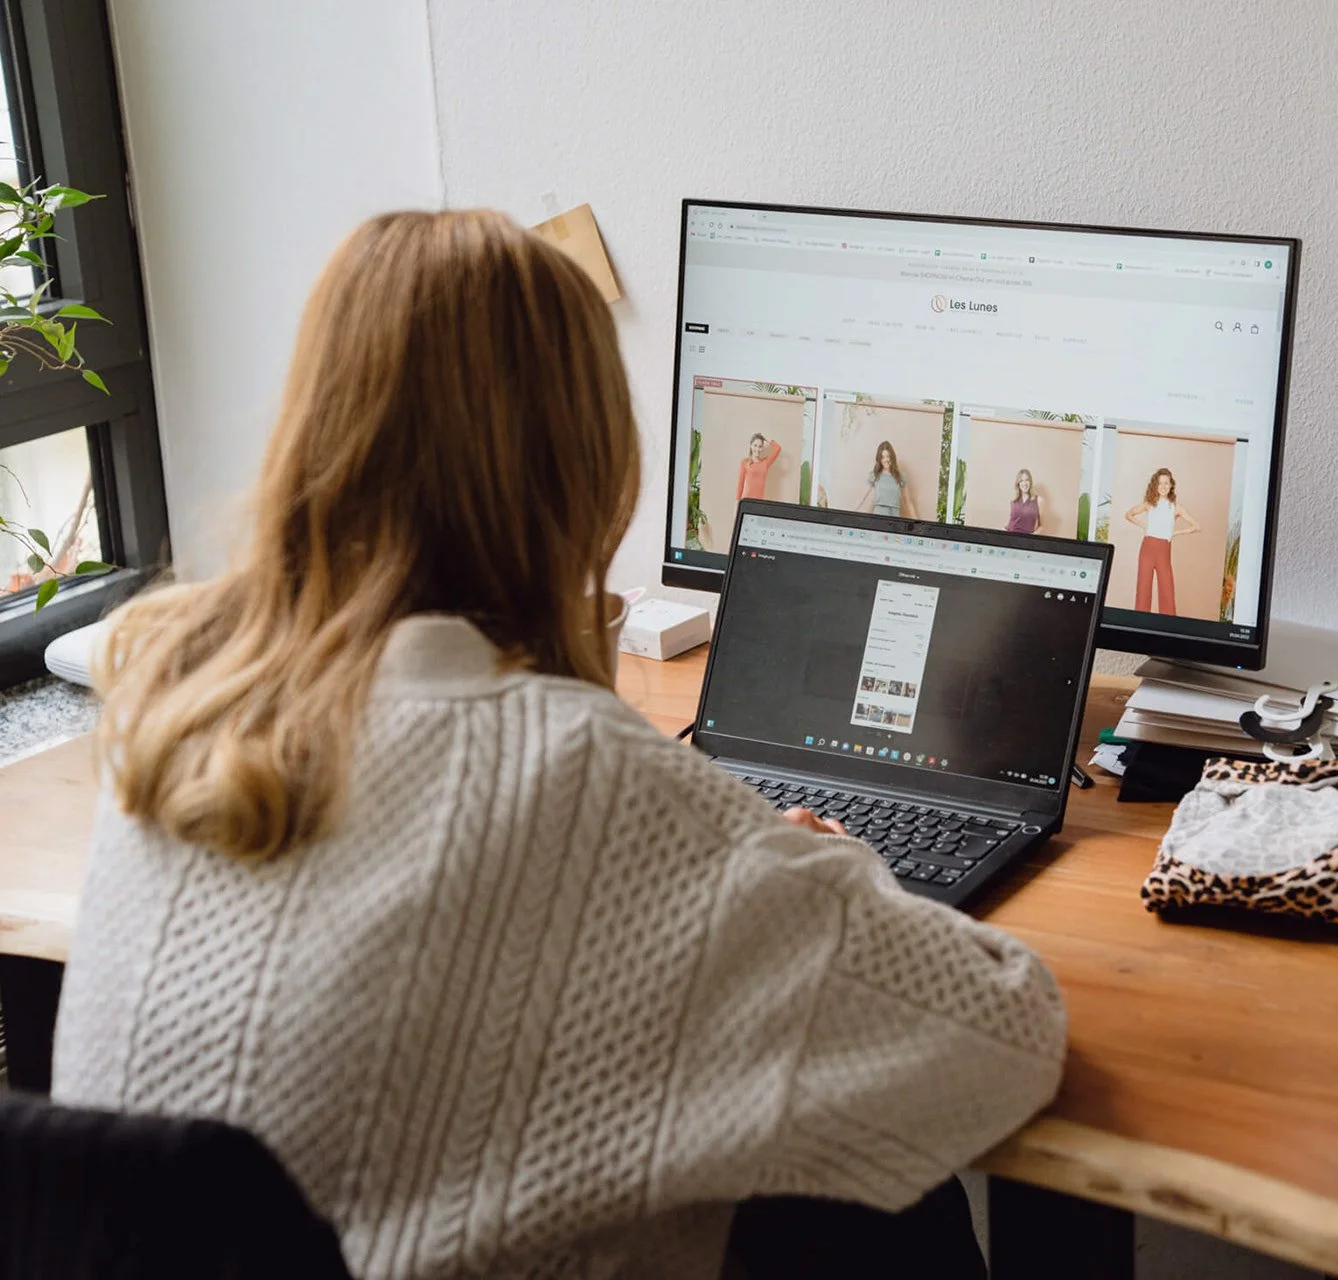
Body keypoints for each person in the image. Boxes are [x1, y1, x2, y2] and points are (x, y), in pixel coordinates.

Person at [51, 211, 1064, 1280]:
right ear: (583, 464)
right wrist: (821, 870)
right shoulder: (576, 776)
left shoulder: (169, 700)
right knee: (881, 1204)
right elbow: (1005, 1031)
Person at [1125, 466, 1199, 615]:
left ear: (1171, 485)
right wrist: (1144, 525)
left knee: (1167, 589)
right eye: (1160, 483)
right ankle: (1140, 622)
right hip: (1147, 548)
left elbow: (1196, 526)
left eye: (1166, 483)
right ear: (1155, 485)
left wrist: (1175, 533)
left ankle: (1168, 624)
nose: (1163, 486)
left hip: (1164, 549)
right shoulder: (1150, 504)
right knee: (1143, 588)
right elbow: (1129, 514)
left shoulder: (1176, 507)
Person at [857, 440, 915, 518]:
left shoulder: (901, 476)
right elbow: (863, 498)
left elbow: (908, 502)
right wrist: (850, 514)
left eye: (888, 456)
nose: (886, 460)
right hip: (878, 517)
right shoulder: (875, 475)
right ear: (879, 459)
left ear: (892, 457)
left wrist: (918, 522)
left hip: (895, 518)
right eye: (882, 457)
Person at [736, 432, 782, 502]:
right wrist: (737, 504)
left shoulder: (765, 463)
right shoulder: (745, 462)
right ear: (751, 446)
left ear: (762, 448)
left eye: (760, 446)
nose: (757, 449)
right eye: (755, 445)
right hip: (746, 501)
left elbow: (778, 448)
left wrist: (765, 438)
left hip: (759, 502)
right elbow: (740, 485)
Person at [1006, 468, 1042, 534]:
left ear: (1030, 482)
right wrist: (1004, 530)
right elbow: (1011, 522)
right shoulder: (1013, 501)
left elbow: (1041, 526)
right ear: (1018, 484)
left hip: (1026, 538)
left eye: (1027, 480)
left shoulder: (1038, 500)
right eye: (1021, 481)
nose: (1024, 483)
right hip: (1010, 536)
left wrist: (1032, 536)